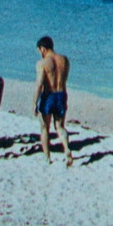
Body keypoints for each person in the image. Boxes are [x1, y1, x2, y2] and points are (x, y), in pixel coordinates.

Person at [33, 35, 72, 167]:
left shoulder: (42, 63)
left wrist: (34, 102)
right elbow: (64, 78)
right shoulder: (64, 60)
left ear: (43, 49)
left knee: (44, 128)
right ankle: (67, 149)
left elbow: (39, 84)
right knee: (60, 127)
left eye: (39, 50)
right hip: (61, 94)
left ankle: (47, 157)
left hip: (48, 96)